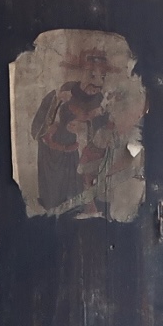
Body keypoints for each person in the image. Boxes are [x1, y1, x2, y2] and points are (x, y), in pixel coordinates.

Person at [31, 46, 125, 217]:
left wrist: (88, 127)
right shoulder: (65, 92)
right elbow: (42, 127)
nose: (97, 82)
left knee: (80, 195)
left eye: (102, 77)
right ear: (81, 72)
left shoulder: (100, 100)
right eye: (92, 75)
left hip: (82, 156)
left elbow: (105, 130)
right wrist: (57, 106)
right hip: (57, 153)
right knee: (56, 199)